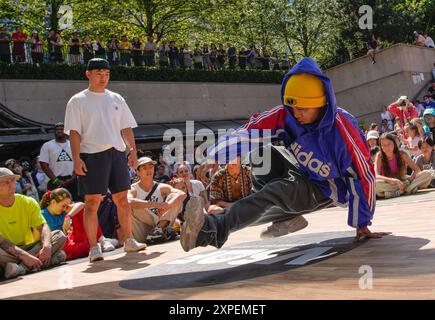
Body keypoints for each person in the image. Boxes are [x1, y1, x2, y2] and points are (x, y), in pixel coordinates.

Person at [180, 57, 389, 253]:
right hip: (303, 168)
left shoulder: (343, 131)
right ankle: (287, 215)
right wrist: (214, 157)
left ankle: (210, 230)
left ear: (320, 103)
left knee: (276, 192)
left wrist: (361, 223)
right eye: (292, 107)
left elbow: (363, 176)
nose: (296, 114)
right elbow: (249, 131)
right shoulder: (287, 116)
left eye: (302, 109)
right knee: (263, 155)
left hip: (329, 186)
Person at [64, 58, 147, 262]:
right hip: (91, 154)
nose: (103, 78)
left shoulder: (116, 98)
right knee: (92, 203)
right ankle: (94, 247)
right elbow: (74, 132)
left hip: (116, 152)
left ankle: (128, 240)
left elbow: (126, 126)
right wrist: (76, 159)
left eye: (107, 74)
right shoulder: (77, 101)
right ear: (88, 74)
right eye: (99, 73)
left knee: (122, 200)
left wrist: (133, 151)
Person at [0, 168, 67, 280]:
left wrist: (47, 246)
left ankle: (19, 269)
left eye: (12, 180)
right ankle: (49, 260)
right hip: (7, 251)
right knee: (60, 255)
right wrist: (24, 256)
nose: (11, 184)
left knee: (59, 235)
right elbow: (1, 241)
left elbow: (43, 227)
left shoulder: (28, 201)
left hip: (30, 247)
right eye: (5, 182)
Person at [40, 188, 118, 260]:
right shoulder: (43, 214)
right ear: (53, 202)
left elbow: (81, 205)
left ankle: (102, 240)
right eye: (63, 206)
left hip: (71, 239)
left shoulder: (64, 210)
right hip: (59, 244)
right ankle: (96, 245)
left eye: (67, 205)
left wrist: (68, 216)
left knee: (82, 211)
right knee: (76, 249)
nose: (65, 208)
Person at [128, 157, 186, 243]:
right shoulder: (133, 189)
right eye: (144, 168)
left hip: (159, 222)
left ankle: (159, 228)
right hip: (142, 229)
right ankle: (158, 231)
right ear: (138, 172)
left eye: (151, 167)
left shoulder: (161, 187)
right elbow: (128, 201)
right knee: (133, 204)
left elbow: (182, 194)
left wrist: (167, 205)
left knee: (175, 197)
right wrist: (156, 205)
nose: (148, 170)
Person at [374, 133, 434, 199]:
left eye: (389, 144)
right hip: (389, 183)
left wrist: (408, 181)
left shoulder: (402, 154)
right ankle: (405, 190)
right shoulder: (379, 156)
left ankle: (395, 192)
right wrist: (392, 180)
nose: (386, 147)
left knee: (428, 173)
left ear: (394, 144)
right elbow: (376, 175)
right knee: (375, 184)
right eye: (383, 145)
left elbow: (417, 169)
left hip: (404, 182)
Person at [39, 122, 76, 199]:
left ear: (66, 131)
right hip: (54, 181)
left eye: (62, 129)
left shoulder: (72, 144)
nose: (59, 131)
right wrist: (56, 180)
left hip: (71, 181)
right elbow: (43, 164)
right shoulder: (47, 145)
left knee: (74, 204)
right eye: (57, 129)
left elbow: (78, 161)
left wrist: (73, 178)